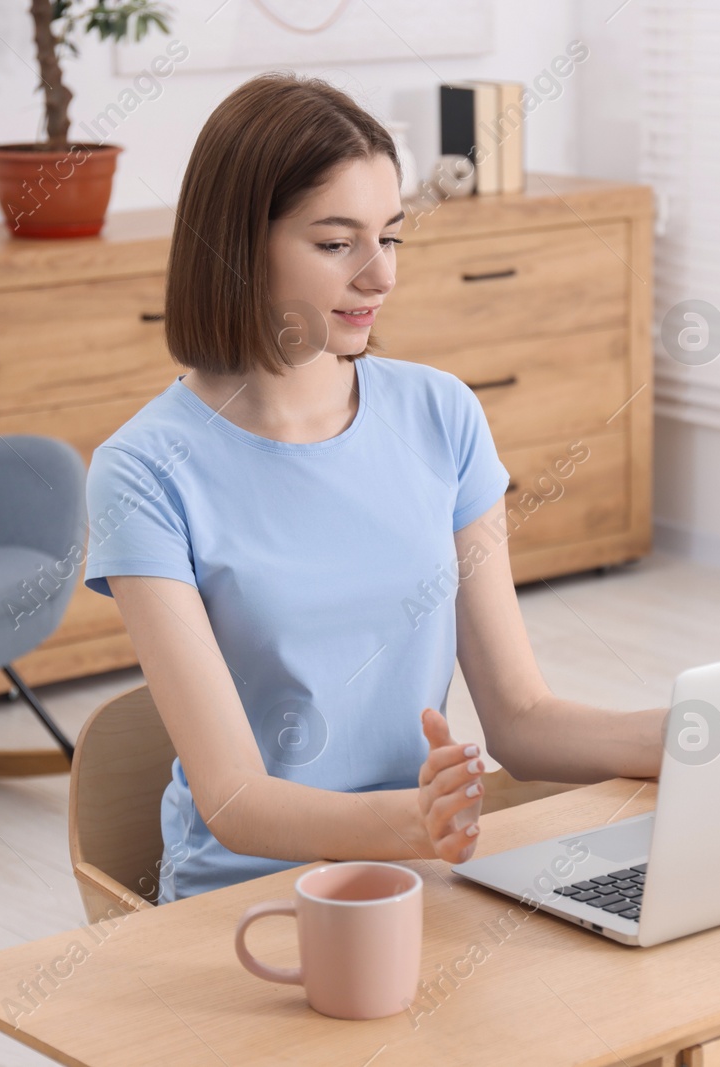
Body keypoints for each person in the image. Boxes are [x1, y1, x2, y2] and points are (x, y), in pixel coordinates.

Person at [83, 71, 667, 903]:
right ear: (236, 245)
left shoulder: (442, 413)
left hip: (412, 876)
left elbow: (522, 720)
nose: (380, 275)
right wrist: (415, 824)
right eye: (335, 244)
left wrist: (701, 737)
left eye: (390, 237)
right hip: (242, 905)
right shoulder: (143, 470)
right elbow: (237, 804)